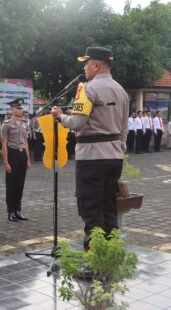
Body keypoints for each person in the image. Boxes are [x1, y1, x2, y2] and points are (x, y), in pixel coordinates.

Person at [51, 47, 128, 251]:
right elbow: (123, 128)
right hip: (114, 155)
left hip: (92, 157)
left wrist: (60, 116)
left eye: (86, 63)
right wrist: (118, 148)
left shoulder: (87, 89)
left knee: (91, 207)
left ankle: (95, 259)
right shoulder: (121, 90)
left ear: (96, 65)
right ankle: (112, 252)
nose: (85, 67)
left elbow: (77, 123)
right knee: (109, 206)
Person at [1, 98, 31, 222]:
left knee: (20, 184)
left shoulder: (25, 123)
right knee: (11, 184)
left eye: (21, 108)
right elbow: (4, 144)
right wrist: (6, 162)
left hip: (22, 154)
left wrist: (28, 159)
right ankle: (11, 211)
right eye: (17, 108)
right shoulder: (6, 124)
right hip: (12, 154)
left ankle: (18, 210)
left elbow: (26, 142)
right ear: (12, 110)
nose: (20, 110)